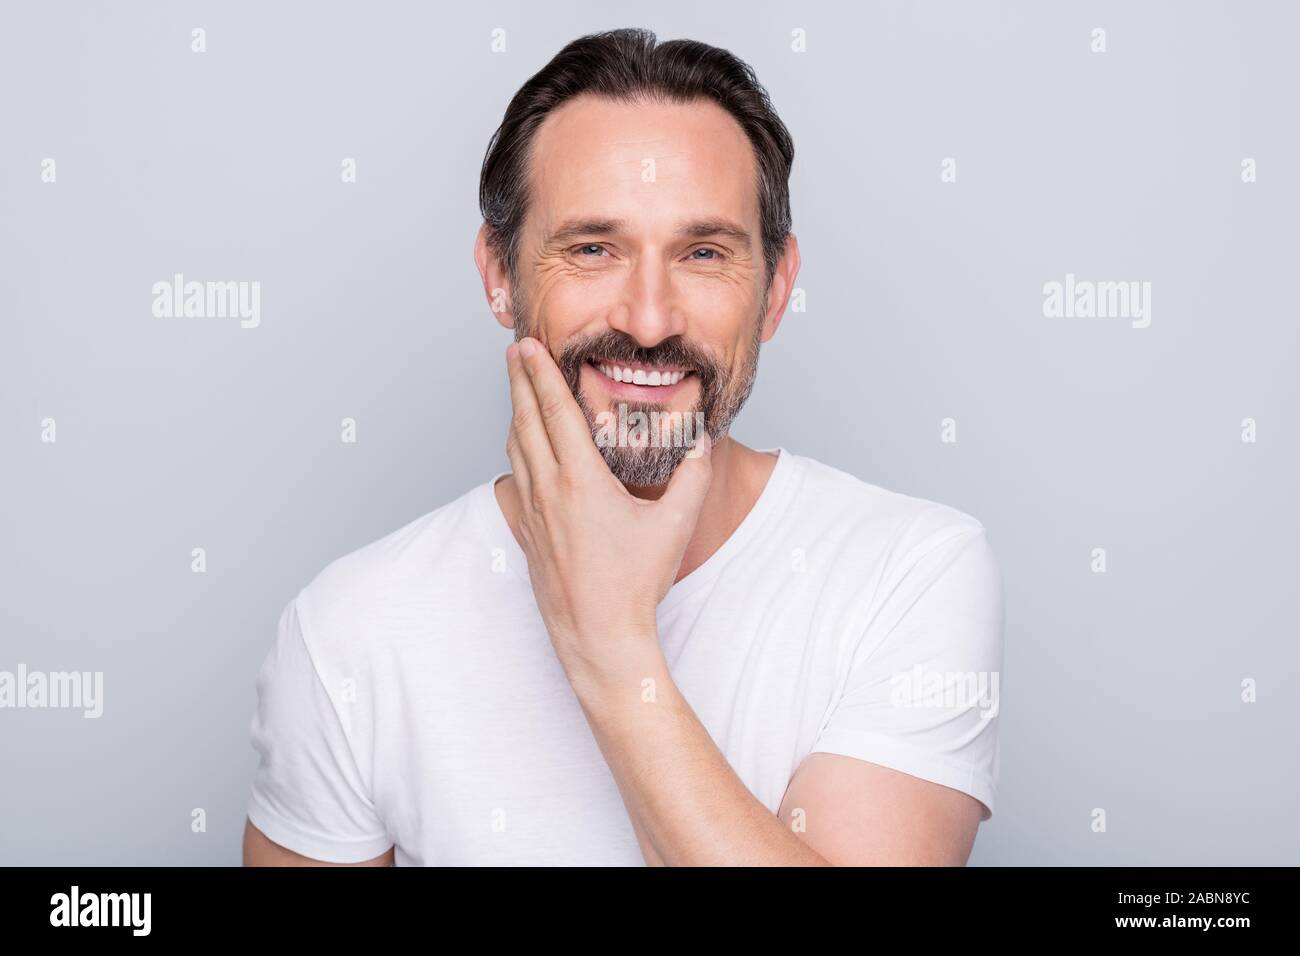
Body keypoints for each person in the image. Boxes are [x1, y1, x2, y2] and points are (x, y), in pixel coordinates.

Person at [243, 28, 1003, 867]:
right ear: (499, 272)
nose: (649, 320)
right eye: (594, 249)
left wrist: (609, 640)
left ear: (777, 291)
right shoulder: (349, 631)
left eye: (704, 253)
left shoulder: (909, 571)